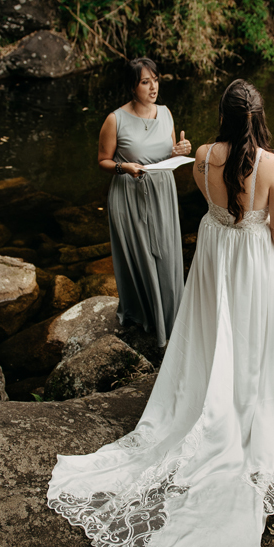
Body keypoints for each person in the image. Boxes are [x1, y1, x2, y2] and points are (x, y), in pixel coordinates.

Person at [47, 79, 274, 547]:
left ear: (223, 115)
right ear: (260, 117)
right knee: (250, 335)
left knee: (211, 331)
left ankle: (206, 395)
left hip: (214, 254)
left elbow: (214, 207)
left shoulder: (202, 156)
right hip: (250, 259)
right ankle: (243, 408)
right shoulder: (272, 164)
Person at [97, 57, 191, 347]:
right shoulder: (115, 119)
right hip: (129, 194)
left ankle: (171, 318)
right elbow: (103, 160)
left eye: (156, 80)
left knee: (166, 254)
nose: (153, 88)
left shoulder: (166, 112)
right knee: (140, 257)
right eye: (145, 82)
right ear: (132, 86)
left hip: (162, 192)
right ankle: (144, 317)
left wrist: (180, 150)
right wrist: (123, 167)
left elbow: (170, 153)